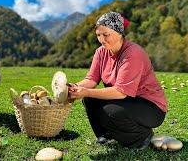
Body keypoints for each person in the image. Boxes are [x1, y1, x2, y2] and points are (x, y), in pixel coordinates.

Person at [68, 12, 167, 150]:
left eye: (106, 35)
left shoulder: (133, 53)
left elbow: (120, 92)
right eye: (98, 35)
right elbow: (91, 79)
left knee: (110, 111)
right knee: (90, 99)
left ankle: (142, 137)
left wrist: (86, 91)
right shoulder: (101, 52)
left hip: (150, 107)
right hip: (127, 101)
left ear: (119, 32)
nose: (101, 39)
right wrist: (73, 87)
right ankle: (106, 135)